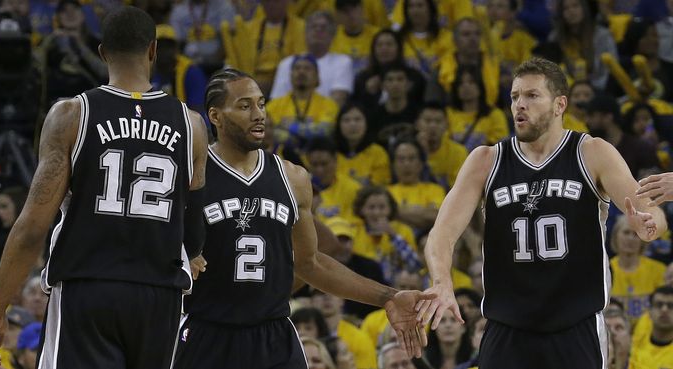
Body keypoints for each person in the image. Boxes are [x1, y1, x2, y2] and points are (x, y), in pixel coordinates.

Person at [0, 6, 208, 369]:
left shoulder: (72, 114)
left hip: (88, 287)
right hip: (159, 295)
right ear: (152, 50)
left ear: (102, 52)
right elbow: (195, 230)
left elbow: (33, 225)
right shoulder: (192, 125)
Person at [417, 57, 668, 369]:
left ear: (559, 104)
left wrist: (649, 225)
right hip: (507, 327)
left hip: (575, 328)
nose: (520, 105)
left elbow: (648, 209)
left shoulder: (592, 152)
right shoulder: (485, 161)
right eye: (514, 97)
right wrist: (441, 281)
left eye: (532, 96)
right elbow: (442, 233)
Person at [174, 68, 432, 369]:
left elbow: (311, 263)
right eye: (244, 106)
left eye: (261, 103)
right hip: (207, 332)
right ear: (215, 116)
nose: (258, 114)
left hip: (273, 335)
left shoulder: (292, 177)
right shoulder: (193, 173)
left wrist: (389, 296)